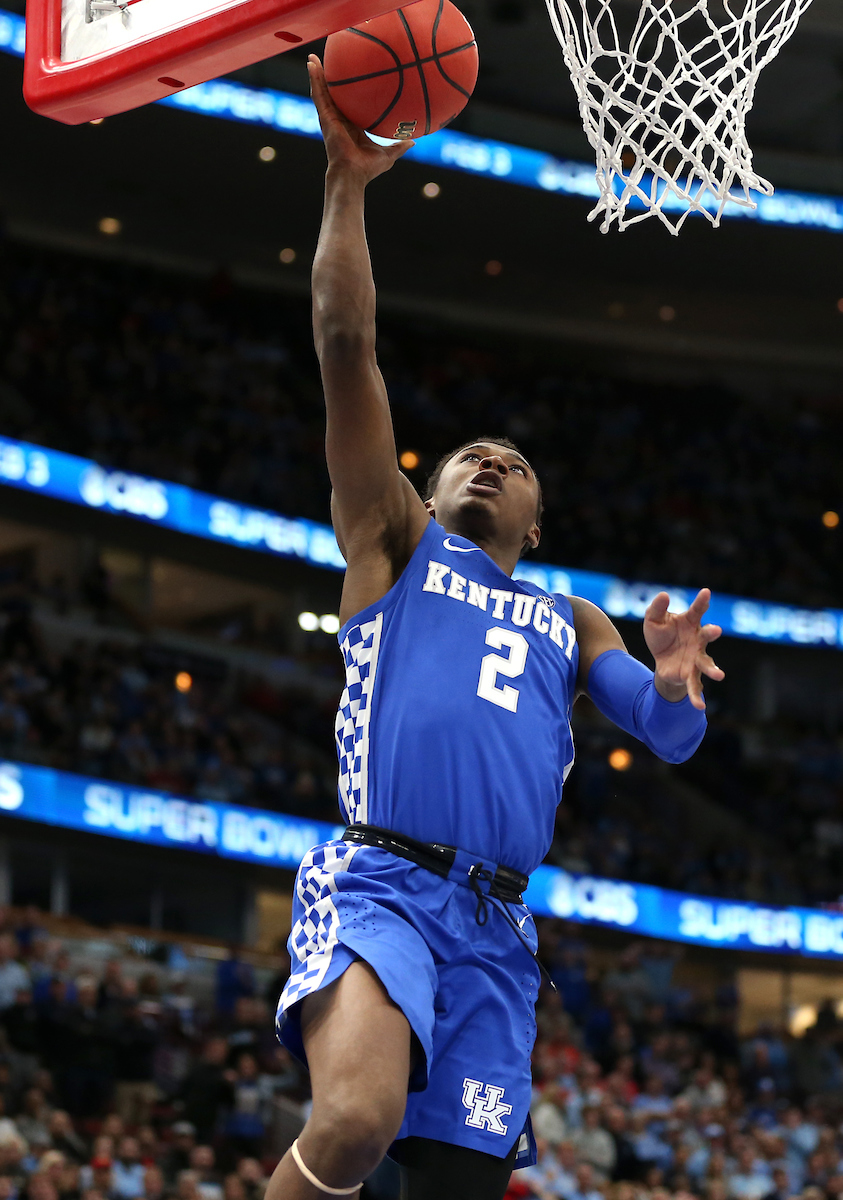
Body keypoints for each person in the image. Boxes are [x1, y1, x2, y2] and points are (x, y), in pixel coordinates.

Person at [268, 53, 724, 1200]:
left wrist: (674, 686)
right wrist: (344, 182)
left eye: (512, 463)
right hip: (383, 884)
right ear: (432, 486)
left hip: (497, 931)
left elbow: (666, 737)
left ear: (537, 518)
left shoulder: (571, 617)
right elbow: (345, 347)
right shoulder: (395, 541)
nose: (489, 461)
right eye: (471, 454)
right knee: (356, 1119)